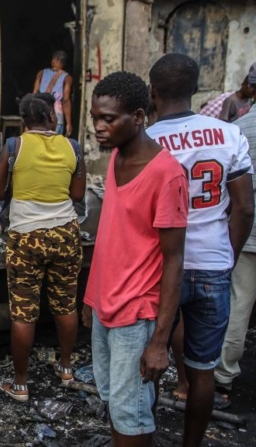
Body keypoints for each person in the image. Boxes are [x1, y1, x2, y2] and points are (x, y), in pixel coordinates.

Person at [147, 54, 254, 447]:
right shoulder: (229, 134)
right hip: (213, 264)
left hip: (159, 267)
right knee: (203, 370)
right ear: (195, 89)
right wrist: (228, 255)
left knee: (150, 362)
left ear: (153, 91)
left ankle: (146, 435)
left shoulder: (148, 141)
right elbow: (244, 207)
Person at [83, 71, 188, 447]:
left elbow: (174, 260)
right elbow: (113, 236)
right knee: (116, 404)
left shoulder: (166, 173)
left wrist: (159, 341)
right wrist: (91, 299)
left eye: (109, 119)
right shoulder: (116, 159)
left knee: (132, 416)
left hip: (136, 315)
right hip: (105, 306)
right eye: (95, 117)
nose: (99, 126)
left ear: (140, 116)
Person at [0, 92, 85, 402]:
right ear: (53, 119)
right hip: (66, 234)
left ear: (23, 122)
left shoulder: (15, 146)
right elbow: (78, 194)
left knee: (23, 313)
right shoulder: (72, 147)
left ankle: (20, 385)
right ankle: (67, 368)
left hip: (26, 237)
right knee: (66, 305)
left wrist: (21, 189)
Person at [215, 61, 256, 408]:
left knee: (239, 303)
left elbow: (238, 203)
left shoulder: (238, 130)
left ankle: (224, 375)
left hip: (248, 235)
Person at [33, 50, 73, 136]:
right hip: (56, 116)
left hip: (40, 112)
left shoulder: (41, 73)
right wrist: (69, 123)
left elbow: (35, 93)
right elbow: (66, 100)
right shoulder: (67, 78)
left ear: (54, 61)